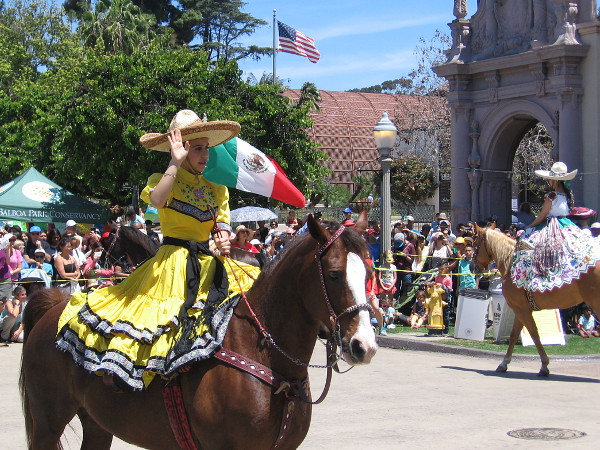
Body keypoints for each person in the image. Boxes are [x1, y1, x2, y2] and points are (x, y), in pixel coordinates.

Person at [56, 109, 260, 391]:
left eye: (206, 148)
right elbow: (158, 200)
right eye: (197, 149)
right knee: (158, 320)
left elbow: (221, 227)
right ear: (181, 148)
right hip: (172, 263)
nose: (205, 155)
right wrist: (174, 164)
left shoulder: (217, 188)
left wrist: (224, 239)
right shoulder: (161, 178)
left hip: (206, 261)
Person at [512, 162, 599, 292]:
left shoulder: (551, 196)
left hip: (552, 225)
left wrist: (529, 226)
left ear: (555, 180)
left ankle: (532, 278)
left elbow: (542, 216)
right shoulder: (567, 195)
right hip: (566, 224)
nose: (549, 181)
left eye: (550, 179)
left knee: (528, 244)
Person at [0, 234, 21, 301]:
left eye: (13, 240)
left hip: (4, 276)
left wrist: (8, 249)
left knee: (3, 299)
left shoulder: (6, 248)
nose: (11, 242)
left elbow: (8, 262)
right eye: (10, 240)